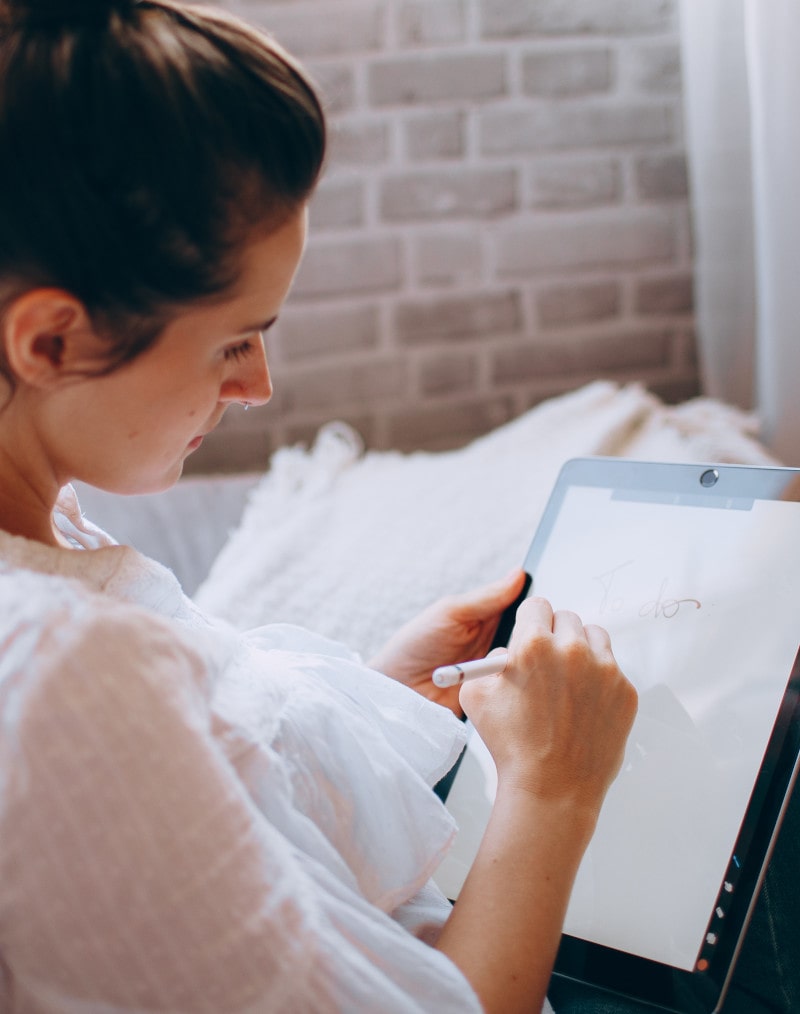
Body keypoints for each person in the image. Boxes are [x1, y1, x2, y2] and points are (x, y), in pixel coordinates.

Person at [2, 2, 789, 1013]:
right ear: (53, 341)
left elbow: (217, 818)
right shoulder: (60, 677)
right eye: (233, 339)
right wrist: (553, 790)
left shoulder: (47, 534)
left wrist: (382, 698)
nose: (258, 387)